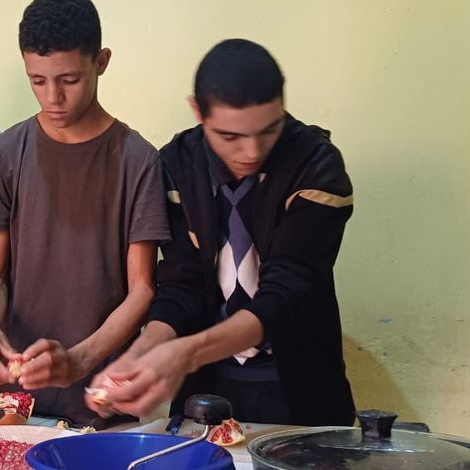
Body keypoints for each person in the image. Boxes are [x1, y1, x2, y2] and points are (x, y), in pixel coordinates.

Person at [86, 39, 356, 426]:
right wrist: (143, 351)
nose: (251, 151)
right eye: (230, 137)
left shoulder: (316, 166)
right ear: (198, 110)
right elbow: (184, 285)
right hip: (208, 390)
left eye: (268, 130)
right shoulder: (177, 165)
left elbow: (286, 293)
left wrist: (183, 354)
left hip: (300, 384)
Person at [0, 0, 170, 429]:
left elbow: (142, 290)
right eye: (37, 81)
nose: (52, 97)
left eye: (69, 80)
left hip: (103, 396)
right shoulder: (5, 153)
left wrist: (79, 361)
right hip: (13, 395)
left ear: (101, 62)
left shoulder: (138, 160)